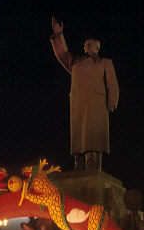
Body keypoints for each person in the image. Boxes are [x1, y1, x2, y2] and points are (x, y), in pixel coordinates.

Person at [50, 17, 119, 171]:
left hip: (96, 103)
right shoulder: (75, 62)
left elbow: (112, 84)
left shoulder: (105, 62)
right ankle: (78, 167)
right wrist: (59, 35)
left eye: (90, 44)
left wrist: (112, 101)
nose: (87, 46)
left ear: (97, 47)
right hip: (78, 103)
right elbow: (63, 54)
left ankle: (93, 168)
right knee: (79, 137)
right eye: (85, 44)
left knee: (93, 138)